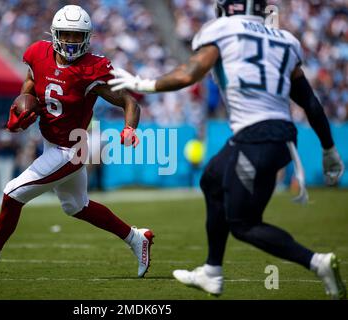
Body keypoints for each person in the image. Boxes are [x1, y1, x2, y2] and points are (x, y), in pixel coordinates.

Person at [108, 0, 345, 299]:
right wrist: (329, 149)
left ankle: (317, 262)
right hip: (278, 135)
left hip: (258, 137)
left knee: (245, 225)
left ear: (227, 8)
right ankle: (212, 271)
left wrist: (144, 83)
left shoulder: (222, 30)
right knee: (211, 179)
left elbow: (188, 74)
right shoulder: (285, 39)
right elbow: (309, 101)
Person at [0, 5, 154, 278]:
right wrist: (22, 108)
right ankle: (135, 238)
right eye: (66, 35)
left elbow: (130, 101)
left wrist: (130, 128)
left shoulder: (92, 68)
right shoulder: (38, 53)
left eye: (76, 35)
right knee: (76, 206)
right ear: (56, 34)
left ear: (87, 37)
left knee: (12, 193)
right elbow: (30, 82)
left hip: (71, 149)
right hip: (51, 142)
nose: (71, 41)